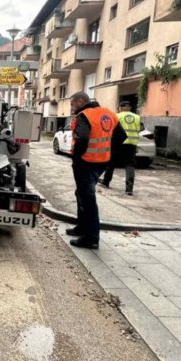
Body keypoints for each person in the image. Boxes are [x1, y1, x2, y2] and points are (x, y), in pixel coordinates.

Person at [65, 92, 125, 249]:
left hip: (86, 163)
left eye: (72, 103)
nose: (72, 107)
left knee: (88, 199)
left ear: (80, 101)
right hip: (101, 163)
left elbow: (82, 139)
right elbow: (121, 136)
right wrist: (109, 154)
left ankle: (91, 238)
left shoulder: (84, 116)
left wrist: (77, 158)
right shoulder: (109, 113)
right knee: (81, 194)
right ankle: (82, 227)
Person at [100, 101, 140, 195]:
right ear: (130, 108)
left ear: (120, 108)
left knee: (111, 163)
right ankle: (129, 189)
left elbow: (112, 129)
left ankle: (106, 182)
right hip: (132, 143)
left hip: (119, 142)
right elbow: (138, 130)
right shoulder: (137, 117)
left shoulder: (117, 116)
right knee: (129, 165)